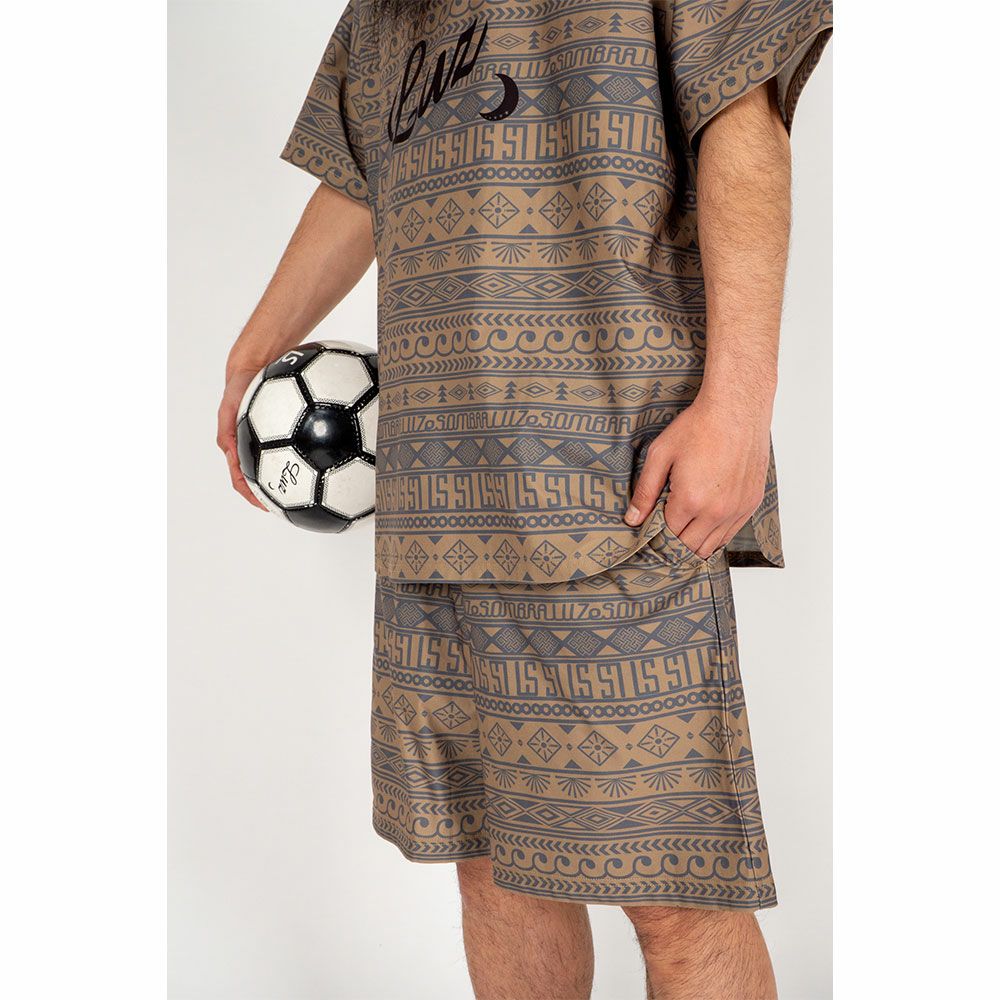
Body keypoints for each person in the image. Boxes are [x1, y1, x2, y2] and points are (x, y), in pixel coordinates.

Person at [217, 1, 832, 996]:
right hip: (432, 500)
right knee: (494, 864)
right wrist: (252, 349)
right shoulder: (381, 12)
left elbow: (742, 114)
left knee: (673, 891)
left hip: (605, 482)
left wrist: (739, 403)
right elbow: (361, 176)